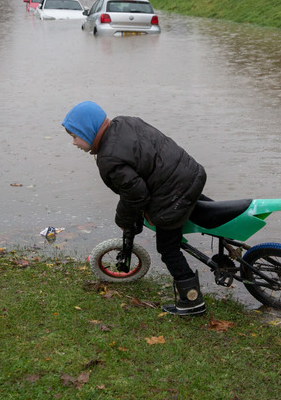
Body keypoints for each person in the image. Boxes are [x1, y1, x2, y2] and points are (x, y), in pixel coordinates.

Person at [62, 101, 208, 316]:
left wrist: (123, 221)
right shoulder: (124, 122)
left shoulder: (109, 158)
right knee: (199, 213)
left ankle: (192, 301)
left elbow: (135, 194)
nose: (74, 143)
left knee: (168, 249)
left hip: (172, 192)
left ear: (89, 130)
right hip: (190, 174)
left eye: (75, 136)